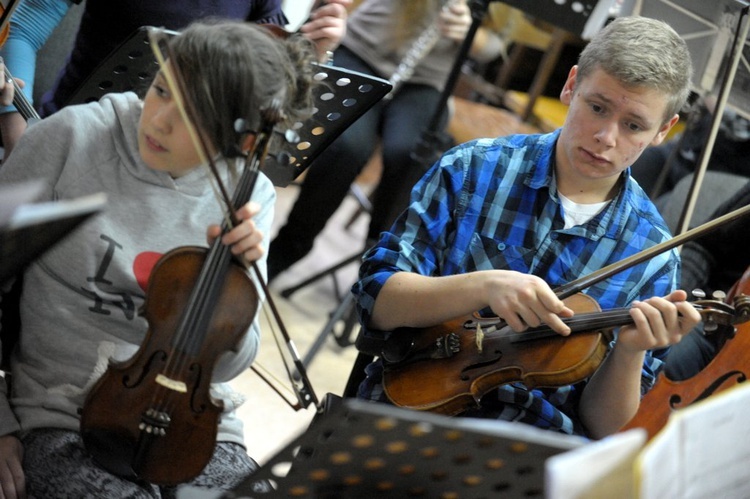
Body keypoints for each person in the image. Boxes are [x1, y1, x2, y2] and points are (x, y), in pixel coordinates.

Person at [0, 19, 317, 497]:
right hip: (60, 415)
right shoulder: (72, 139)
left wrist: (241, 280)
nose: (160, 119)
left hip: (191, 429)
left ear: (245, 141)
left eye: (191, 115)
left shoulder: (250, 193)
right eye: (163, 90)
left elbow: (227, 368)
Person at [351, 16, 702, 440]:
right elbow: (377, 299)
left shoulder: (654, 256)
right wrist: (484, 287)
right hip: (411, 412)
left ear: (664, 130)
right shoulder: (474, 168)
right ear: (571, 85)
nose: (606, 137)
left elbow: (607, 428)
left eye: (633, 125)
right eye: (597, 107)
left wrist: (629, 351)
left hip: (533, 448)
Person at [267, 0, 506, 282]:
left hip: (425, 82)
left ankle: (381, 267)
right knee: (347, 146)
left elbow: (498, 43)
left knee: (411, 153)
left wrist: (473, 33)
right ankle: (291, 244)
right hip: (362, 51)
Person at [0, 0, 349, 157]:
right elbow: (21, 30)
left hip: (181, 160)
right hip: (81, 141)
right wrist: (21, 137)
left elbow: (257, 73)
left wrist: (309, 53)